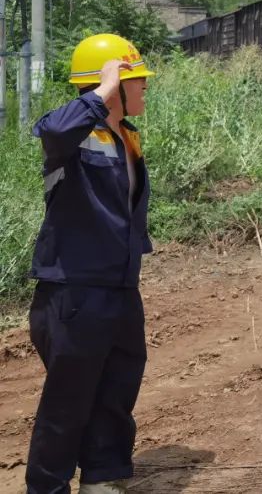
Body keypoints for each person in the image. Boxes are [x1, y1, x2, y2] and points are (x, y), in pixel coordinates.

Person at [26, 33, 155, 494]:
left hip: (120, 284)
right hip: (76, 288)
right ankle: (48, 487)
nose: (144, 90)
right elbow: (54, 128)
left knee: (117, 386)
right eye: (137, 81)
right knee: (69, 399)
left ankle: (103, 476)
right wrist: (102, 92)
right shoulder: (73, 139)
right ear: (115, 83)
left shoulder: (127, 137)